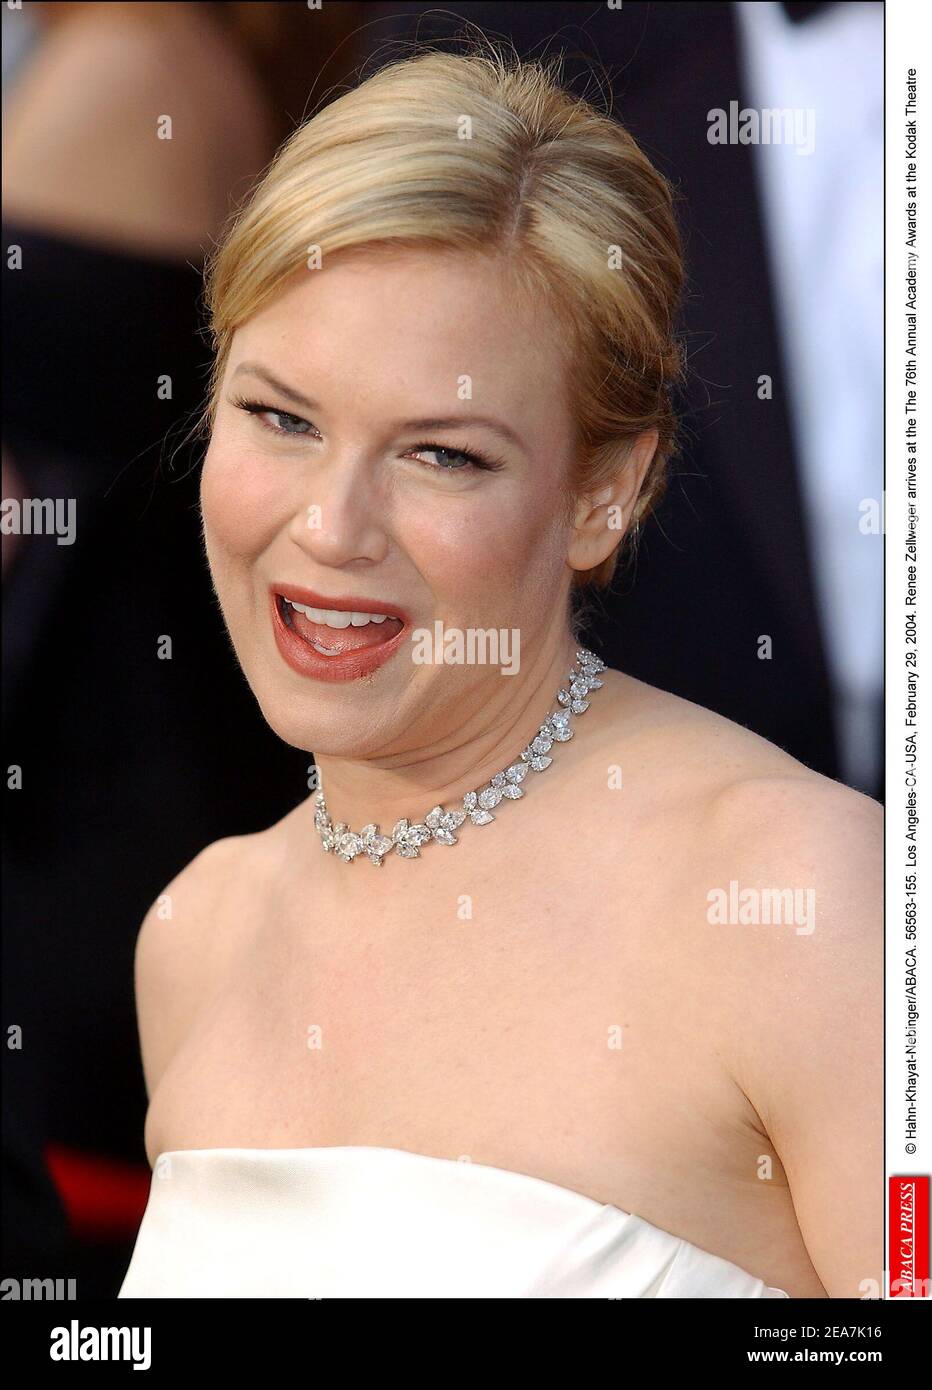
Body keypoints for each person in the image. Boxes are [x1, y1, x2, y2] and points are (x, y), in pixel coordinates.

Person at [119, 43, 881, 1300]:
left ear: (601, 493)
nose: (330, 526)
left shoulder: (797, 897)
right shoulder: (197, 931)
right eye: (280, 417)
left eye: (442, 455)